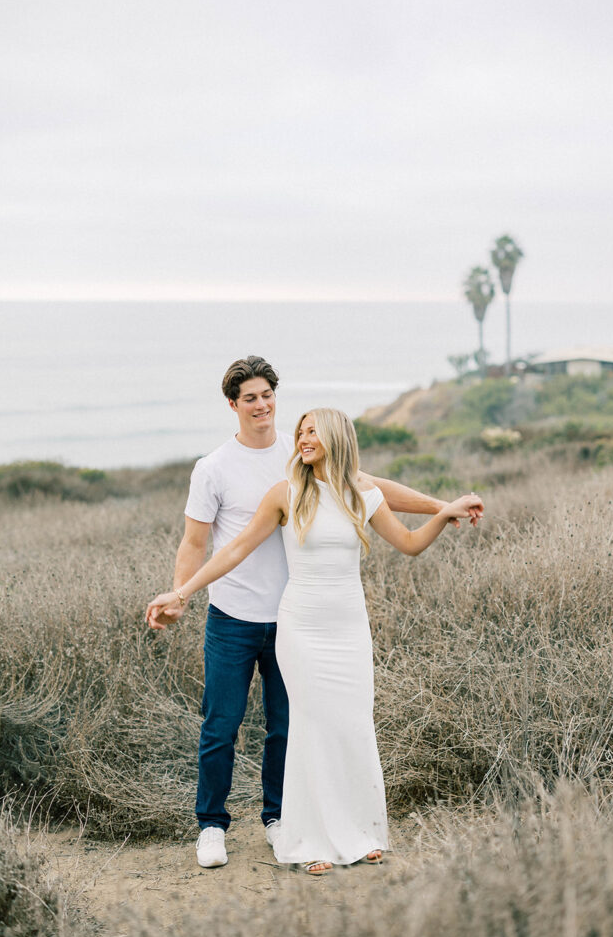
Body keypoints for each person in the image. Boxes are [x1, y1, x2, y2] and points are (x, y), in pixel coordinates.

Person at [145, 356, 483, 870]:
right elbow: (207, 544)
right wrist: (181, 594)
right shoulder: (214, 469)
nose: (262, 406)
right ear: (233, 405)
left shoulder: (297, 456)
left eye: (267, 396)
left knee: (288, 728)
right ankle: (212, 826)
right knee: (222, 726)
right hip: (235, 617)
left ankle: (281, 821)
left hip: (292, 617)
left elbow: (375, 490)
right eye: (250, 398)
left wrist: (444, 506)